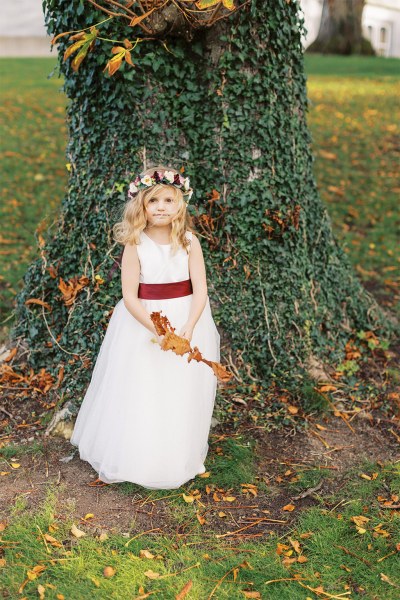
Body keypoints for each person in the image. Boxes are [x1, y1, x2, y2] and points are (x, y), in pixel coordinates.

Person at [70, 165, 221, 489]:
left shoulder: (189, 241)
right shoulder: (135, 244)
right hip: (143, 323)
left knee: (180, 389)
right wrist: (156, 330)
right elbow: (129, 296)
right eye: (154, 201)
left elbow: (201, 289)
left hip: (185, 318)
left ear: (180, 204)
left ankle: (176, 456)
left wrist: (189, 327)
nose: (162, 207)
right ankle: (137, 456)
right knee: (143, 388)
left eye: (168, 200)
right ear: (142, 206)